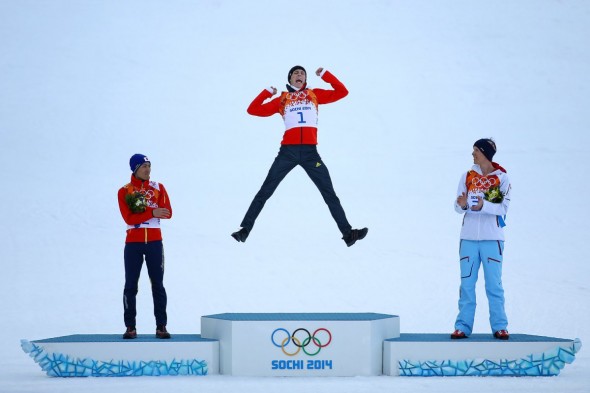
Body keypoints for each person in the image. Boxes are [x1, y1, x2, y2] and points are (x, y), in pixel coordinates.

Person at [231, 65, 368, 247]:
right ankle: (244, 230)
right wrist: (266, 93)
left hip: (311, 153)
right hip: (288, 152)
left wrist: (326, 75)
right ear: (290, 79)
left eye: (302, 73)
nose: (299, 75)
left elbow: (342, 92)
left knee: (329, 194)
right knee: (265, 191)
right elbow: (253, 109)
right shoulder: (282, 99)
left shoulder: (314, 94)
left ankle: (348, 233)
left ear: (305, 79)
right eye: (296, 73)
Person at [451, 139, 512, 340]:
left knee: (493, 285)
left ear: (485, 152)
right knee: (467, 284)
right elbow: (458, 206)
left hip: (492, 239)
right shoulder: (468, 176)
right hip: (468, 238)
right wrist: (463, 205)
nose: (473, 154)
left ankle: (500, 326)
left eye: (476, 150)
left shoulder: (499, 178)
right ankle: (463, 326)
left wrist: (481, 206)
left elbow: (501, 208)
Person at [117, 154, 172, 339]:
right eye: (144, 166)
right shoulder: (124, 191)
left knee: (158, 284)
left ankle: (161, 326)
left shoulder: (159, 187)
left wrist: (146, 213)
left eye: (149, 166)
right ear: (135, 169)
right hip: (133, 244)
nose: (148, 170)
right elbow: (129, 218)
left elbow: (168, 213)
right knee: (131, 285)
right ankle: (130, 327)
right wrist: (152, 211)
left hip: (155, 243)